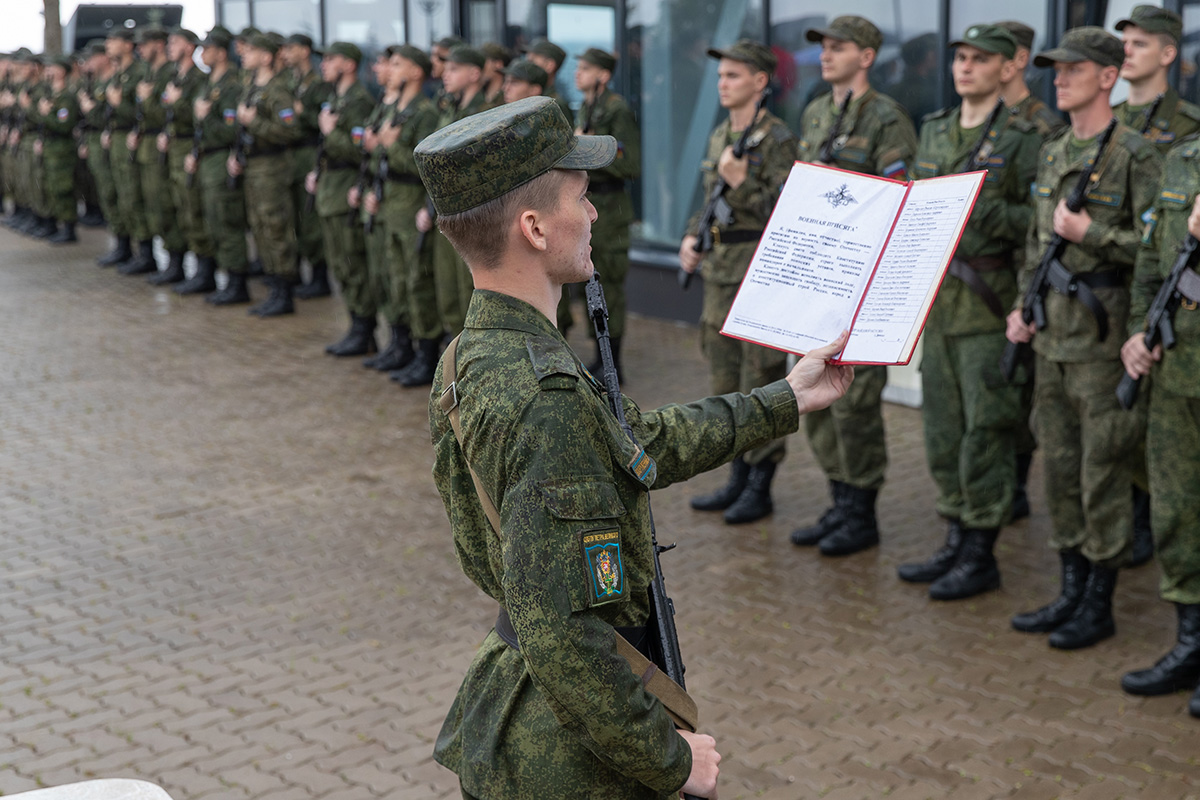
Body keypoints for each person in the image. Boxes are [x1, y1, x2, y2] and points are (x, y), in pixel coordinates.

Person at [420, 94, 853, 800]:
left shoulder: (470, 356)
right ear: (533, 227)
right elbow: (565, 635)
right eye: (581, 198)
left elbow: (636, 442)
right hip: (569, 758)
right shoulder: (544, 399)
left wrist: (786, 397)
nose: (593, 214)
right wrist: (671, 761)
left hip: (522, 706)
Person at [1006, 27, 1161, 650]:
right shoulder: (1052, 150)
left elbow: (1155, 252)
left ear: (1107, 76)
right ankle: (1070, 587)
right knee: (1061, 468)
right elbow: (1035, 245)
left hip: (1101, 342)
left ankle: (1100, 600)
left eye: (1074, 69)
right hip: (1052, 340)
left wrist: (1092, 232)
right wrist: (1024, 306)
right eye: (1057, 69)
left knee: (1103, 472)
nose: (1060, 78)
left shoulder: (1136, 155)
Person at [898, 25, 1041, 601]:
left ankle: (982, 552)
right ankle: (955, 534)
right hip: (941, 303)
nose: (966, 67)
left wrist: (984, 207)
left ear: (1008, 68)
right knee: (943, 428)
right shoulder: (933, 130)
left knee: (987, 429)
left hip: (990, 299)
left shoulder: (1027, 138)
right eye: (960, 57)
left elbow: (1038, 225)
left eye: (980, 59)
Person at [791, 15, 918, 554]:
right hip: (818, 279)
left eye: (838, 47)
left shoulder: (888, 119)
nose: (826, 55)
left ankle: (861, 512)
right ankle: (839, 498)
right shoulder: (817, 110)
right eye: (823, 46)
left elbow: (899, 201)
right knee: (815, 398)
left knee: (857, 404)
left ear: (867, 56)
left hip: (861, 283)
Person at [679, 39, 798, 525]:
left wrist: (742, 180)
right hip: (721, 273)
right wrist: (691, 236)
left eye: (733, 75)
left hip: (760, 274)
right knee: (725, 380)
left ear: (760, 82)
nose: (723, 83)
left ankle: (761, 483)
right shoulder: (720, 135)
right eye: (721, 75)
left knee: (760, 379)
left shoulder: (778, 139)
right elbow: (708, 197)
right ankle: (736, 475)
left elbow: (787, 211)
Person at [1119, 142, 1200, 720]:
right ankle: (1191, 643)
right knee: (1176, 512)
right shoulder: (1181, 159)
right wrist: (1136, 333)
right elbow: (1151, 261)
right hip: (1177, 375)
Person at [994, 19, 1067, 524]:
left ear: (1018, 59)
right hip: (987, 282)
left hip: (1012, 276)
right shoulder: (977, 122)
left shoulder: (1044, 128)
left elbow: (1042, 221)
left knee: (1018, 392)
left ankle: (1015, 486)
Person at [363, 44, 440, 375]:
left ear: (415, 72)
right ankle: (400, 342)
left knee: (415, 278)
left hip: (410, 201)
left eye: (397, 64)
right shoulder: (392, 109)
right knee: (393, 275)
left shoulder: (425, 112)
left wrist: (390, 146)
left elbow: (425, 164)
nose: (389, 70)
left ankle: (425, 354)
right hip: (389, 200)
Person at [571, 47, 640, 377]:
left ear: (604, 75)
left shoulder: (617, 109)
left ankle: (614, 363)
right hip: (590, 206)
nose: (578, 73)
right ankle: (600, 357)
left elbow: (630, 164)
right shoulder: (586, 106)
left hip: (611, 211)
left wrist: (589, 147)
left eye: (585, 68)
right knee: (590, 282)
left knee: (609, 284)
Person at [227, 33, 303, 317]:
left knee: (275, 227)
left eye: (253, 50)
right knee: (259, 226)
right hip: (254, 166)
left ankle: (284, 292)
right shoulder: (251, 87)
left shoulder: (276, 91)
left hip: (272, 167)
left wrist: (254, 121)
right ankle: (273, 287)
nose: (245, 53)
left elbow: (290, 130)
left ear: (267, 57)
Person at [307, 42, 376, 352]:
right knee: (339, 261)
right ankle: (355, 324)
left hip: (346, 186)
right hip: (330, 187)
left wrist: (330, 132)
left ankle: (364, 329)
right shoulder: (336, 98)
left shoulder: (359, 102)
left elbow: (359, 151)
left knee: (351, 261)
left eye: (331, 59)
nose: (324, 65)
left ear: (348, 65)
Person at [180, 26, 250, 302]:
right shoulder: (208, 83)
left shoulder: (232, 85)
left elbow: (232, 131)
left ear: (221, 53)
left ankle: (236, 282)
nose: (202, 54)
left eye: (206, 49)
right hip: (206, 157)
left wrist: (206, 118)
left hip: (222, 158)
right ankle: (214, 275)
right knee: (209, 219)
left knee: (226, 220)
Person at [151, 27, 213, 285]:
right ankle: (176, 263)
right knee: (171, 207)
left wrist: (176, 103)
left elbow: (199, 119)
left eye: (175, 42)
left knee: (192, 209)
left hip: (188, 149)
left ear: (190, 47)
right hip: (171, 149)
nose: (169, 46)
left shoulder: (199, 79)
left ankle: (204, 270)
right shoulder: (172, 77)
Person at [282, 32, 334, 299]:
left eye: (291, 48)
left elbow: (323, 122)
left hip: (309, 151)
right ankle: (307, 271)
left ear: (304, 51)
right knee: (299, 217)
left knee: (310, 216)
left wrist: (303, 113)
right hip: (293, 155)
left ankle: (319, 275)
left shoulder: (318, 84)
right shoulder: (293, 81)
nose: (285, 53)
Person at [1113, 6, 1200, 153]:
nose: (1126, 51)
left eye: (1139, 44)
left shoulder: (1191, 124)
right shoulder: (1109, 117)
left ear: (1167, 55)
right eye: (1124, 43)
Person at [32, 54, 80, 244]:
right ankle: (55, 224)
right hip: (51, 146)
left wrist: (45, 114)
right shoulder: (51, 95)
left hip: (62, 148)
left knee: (63, 188)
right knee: (50, 186)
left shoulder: (66, 98)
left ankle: (68, 229)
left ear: (63, 71)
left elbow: (64, 125)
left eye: (53, 68)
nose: (49, 71)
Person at [522, 38, 572, 120]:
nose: (526, 67)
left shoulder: (554, 105)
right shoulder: (538, 99)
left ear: (549, 65)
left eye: (532, 62)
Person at [480, 42, 513, 108]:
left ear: (498, 64)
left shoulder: (507, 96)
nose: (479, 66)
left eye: (483, 61)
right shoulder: (481, 92)